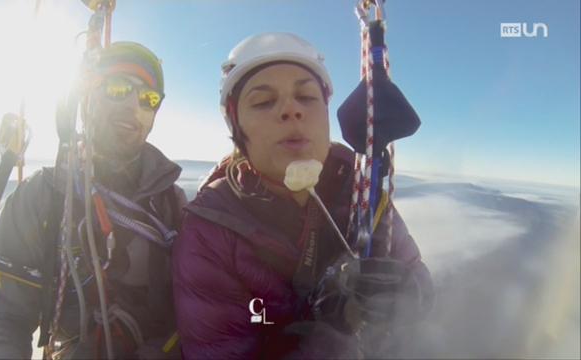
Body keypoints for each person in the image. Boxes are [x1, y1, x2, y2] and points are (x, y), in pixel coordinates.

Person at [172, 32, 434, 359]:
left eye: (307, 96)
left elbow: (417, 277)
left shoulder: (362, 188)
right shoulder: (212, 231)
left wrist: (410, 291)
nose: (291, 110)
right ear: (239, 130)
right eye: (263, 101)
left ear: (326, 115)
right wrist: (325, 343)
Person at [0, 41, 186, 359]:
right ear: (86, 97)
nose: (134, 105)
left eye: (149, 98)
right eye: (117, 88)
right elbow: (4, 317)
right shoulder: (44, 197)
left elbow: (205, 308)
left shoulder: (172, 204)